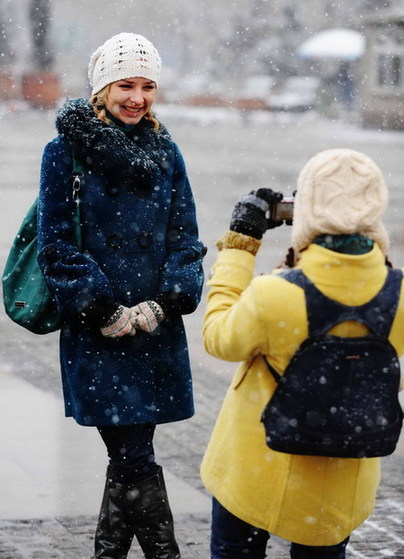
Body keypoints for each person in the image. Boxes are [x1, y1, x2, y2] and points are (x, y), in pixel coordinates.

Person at [37, 32, 205, 559]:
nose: (137, 97)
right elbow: (56, 244)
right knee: (133, 454)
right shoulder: (64, 152)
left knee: (132, 455)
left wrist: (163, 304)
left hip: (155, 331)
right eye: (125, 85)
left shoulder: (167, 152)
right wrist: (104, 308)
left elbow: (187, 240)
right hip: (101, 330)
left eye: (147, 85)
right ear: (101, 88)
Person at [200, 148, 404, 559]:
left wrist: (241, 245)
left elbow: (219, 338)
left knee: (235, 551)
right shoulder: (398, 294)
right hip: (339, 476)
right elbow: (359, 291)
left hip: (257, 465)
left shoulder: (275, 293)